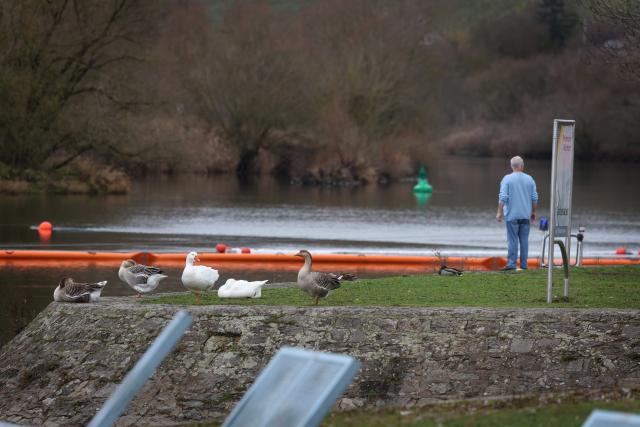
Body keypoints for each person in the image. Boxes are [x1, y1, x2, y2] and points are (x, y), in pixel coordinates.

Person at [496, 156, 538, 270]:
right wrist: (533, 212)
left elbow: (503, 197)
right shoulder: (530, 179)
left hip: (512, 216)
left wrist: (499, 212)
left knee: (512, 240)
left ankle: (511, 264)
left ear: (511, 166)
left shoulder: (507, 179)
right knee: (524, 240)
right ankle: (524, 266)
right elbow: (534, 198)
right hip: (525, 215)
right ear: (522, 165)